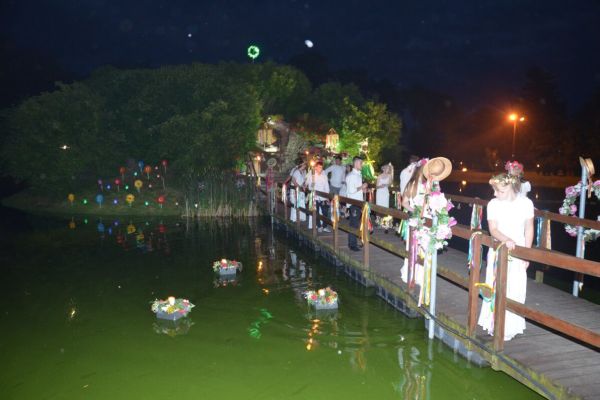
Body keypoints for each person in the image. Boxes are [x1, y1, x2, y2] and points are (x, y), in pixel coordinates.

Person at [478, 172, 534, 341]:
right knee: (497, 285)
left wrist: (527, 254)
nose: (495, 194)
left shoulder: (526, 203)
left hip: (519, 251)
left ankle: (511, 326)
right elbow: (493, 229)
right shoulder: (493, 204)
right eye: (494, 190)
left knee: (515, 287)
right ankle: (495, 324)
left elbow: (529, 229)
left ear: (510, 188)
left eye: (499, 191)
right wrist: (506, 239)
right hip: (499, 248)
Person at [400, 160, 427, 284]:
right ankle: (410, 274)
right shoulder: (413, 184)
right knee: (413, 247)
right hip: (415, 220)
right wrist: (415, 210)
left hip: (425, 220)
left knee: (422, 248)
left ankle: (420, 275)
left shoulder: (427, 185)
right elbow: (404, 202)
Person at [345, 156, 368, 251]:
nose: (362, 165)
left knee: (356, 223)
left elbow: (357, 189)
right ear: (355, 163)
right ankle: (352, 245)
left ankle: (354, 242)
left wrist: (363, 190)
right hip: (353, 203)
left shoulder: (358, 175)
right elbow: (351, 190)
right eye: (360, 163)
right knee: (353, 224)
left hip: (358, 202)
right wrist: (362, 187)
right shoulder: (351, 176)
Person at [305, 160, 331, 232]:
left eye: (321, 167)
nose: (321, 169)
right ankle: (319, 226)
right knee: (315, 212)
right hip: (315, 197)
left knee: (325, 212)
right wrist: (311, 185)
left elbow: (327, 187)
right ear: (316, 167)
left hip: (323, 197)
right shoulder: (311, 175)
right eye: (319, 167)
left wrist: (327, 197)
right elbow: (308, 185)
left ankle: (324, 226)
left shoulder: (324, 176)